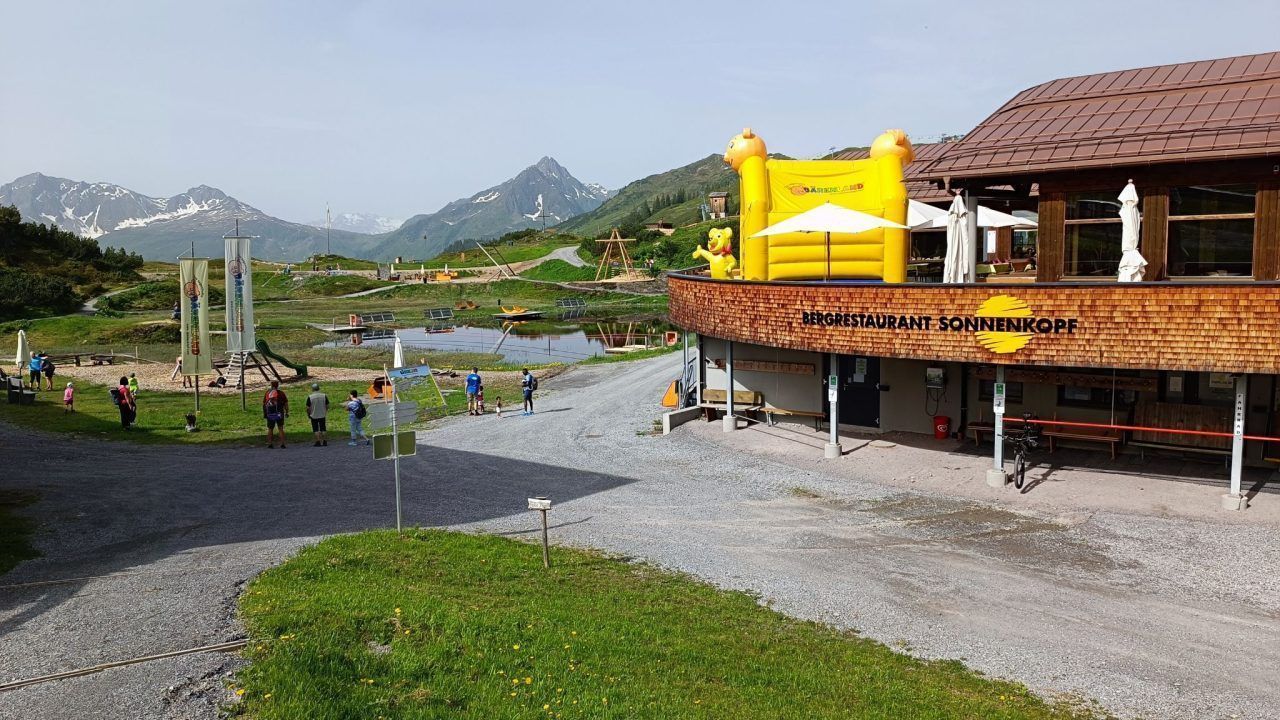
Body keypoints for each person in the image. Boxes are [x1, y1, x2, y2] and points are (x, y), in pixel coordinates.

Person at [263, 380, 289, 449]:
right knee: (280, 428)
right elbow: (286, 404)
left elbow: (264, 404)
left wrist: (265, 413)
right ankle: (282, 444)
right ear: (277, 386)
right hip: (279, 413)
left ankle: (270, 444)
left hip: (270, 413)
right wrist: (287, 412)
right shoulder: (281, 393)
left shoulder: (267, 393)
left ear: (271, 386)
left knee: (270, 429)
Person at [305, 382, 330, 447]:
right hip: (322, 414)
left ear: (312, 389)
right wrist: (325, 411)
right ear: (319, 388)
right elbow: (327, 405)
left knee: (315, 429)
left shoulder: (310, 397)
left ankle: (318, 442)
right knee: (323, 428)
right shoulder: (324, 395)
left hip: (314, 415)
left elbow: (307, 408)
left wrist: (308, 414)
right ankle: (325, 441)